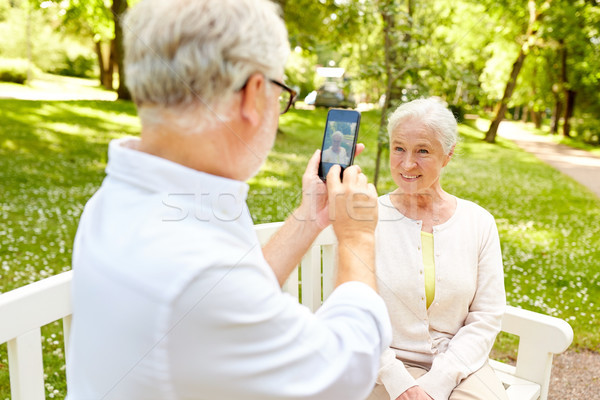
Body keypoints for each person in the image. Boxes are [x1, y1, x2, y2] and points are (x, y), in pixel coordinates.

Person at [65, 0, 391, 399]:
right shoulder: (193, 269)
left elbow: (238, 293)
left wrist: (312, 215)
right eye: (282, 93)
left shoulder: (120, 201)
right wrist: (358, 238)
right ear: (254, 94)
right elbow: (345, 372)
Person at [368, 98, 507, 400]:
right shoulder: (368, 218)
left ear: (448, 155)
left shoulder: (478, 222)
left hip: (461, 365)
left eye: (423, 151)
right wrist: (398, 381)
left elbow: (486, 315)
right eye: (399, 148)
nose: (407, 163)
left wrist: (439, 382)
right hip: (382, 366)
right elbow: (354, 314)